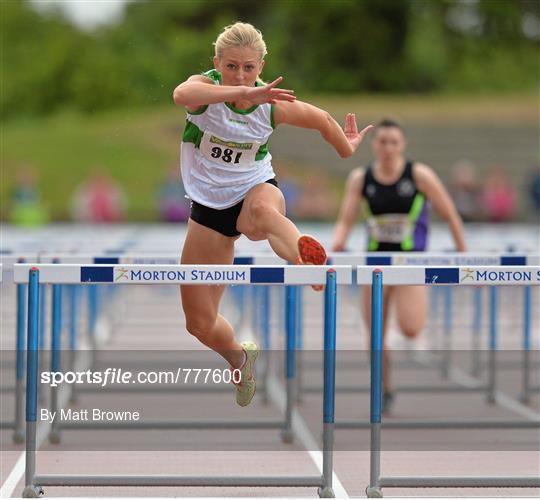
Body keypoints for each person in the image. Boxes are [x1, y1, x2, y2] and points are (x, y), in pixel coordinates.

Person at [173, 22, 372, 406]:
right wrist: (243, 91)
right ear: (217, 63)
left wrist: (346, 150)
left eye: (249, 68)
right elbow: (182, 93)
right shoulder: (206, 91)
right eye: (231, 66)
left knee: (261, 214)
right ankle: (239, 357)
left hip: (254, 189)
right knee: (198, 323)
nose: (241, 75)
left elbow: (323, 121)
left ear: (262, 64)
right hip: (208, 209)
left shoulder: (272, 105)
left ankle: (304, 256)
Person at [332, 119, 466, 414]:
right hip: (374, 263)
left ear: (402, 145)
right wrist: (338, 244)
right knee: (375, 334)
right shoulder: (360, 178)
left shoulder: (419, 175)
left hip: (412, 263)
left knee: (411, 328)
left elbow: (450, 215)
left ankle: (394, 366)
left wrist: (464, 256)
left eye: (394, 142)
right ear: (374, 145)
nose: (388, 148)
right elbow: (346, 218)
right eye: (383, 142)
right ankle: (385, 388)